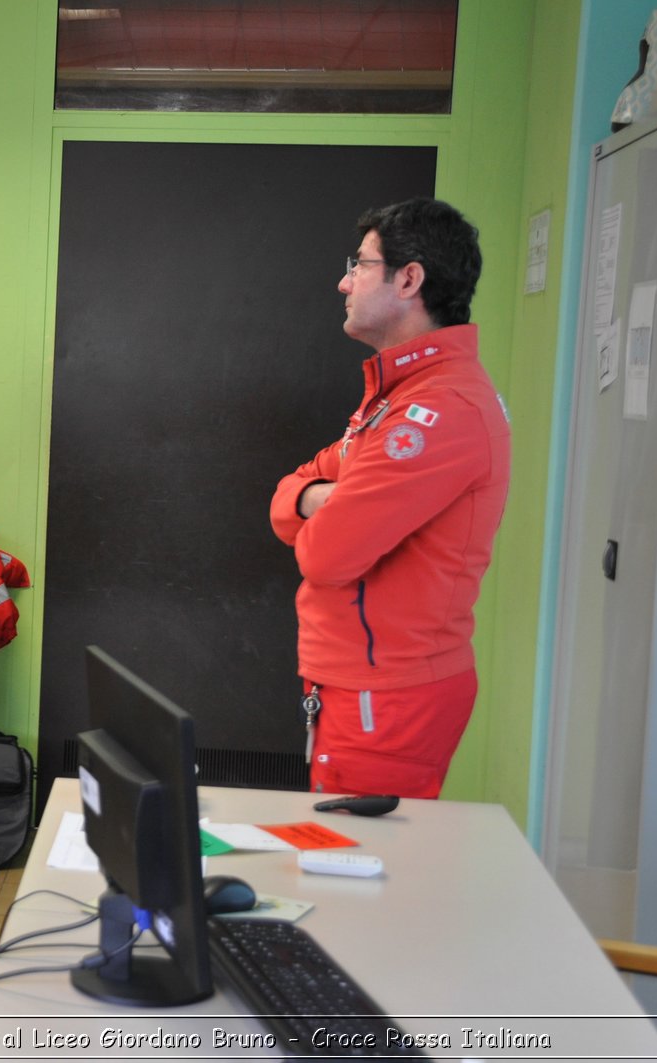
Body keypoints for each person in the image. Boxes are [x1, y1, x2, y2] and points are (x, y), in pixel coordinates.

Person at [269, 198, 511, 800]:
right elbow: (286, 494)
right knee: (348, 867)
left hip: (391, 692)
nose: (343, 281)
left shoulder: (438, 411)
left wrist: (320, 503)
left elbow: (325, 557)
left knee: (364, 875)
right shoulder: (399, 394)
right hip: (363, 682)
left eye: (361, 264)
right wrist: (321, 496)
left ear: (409, 279)